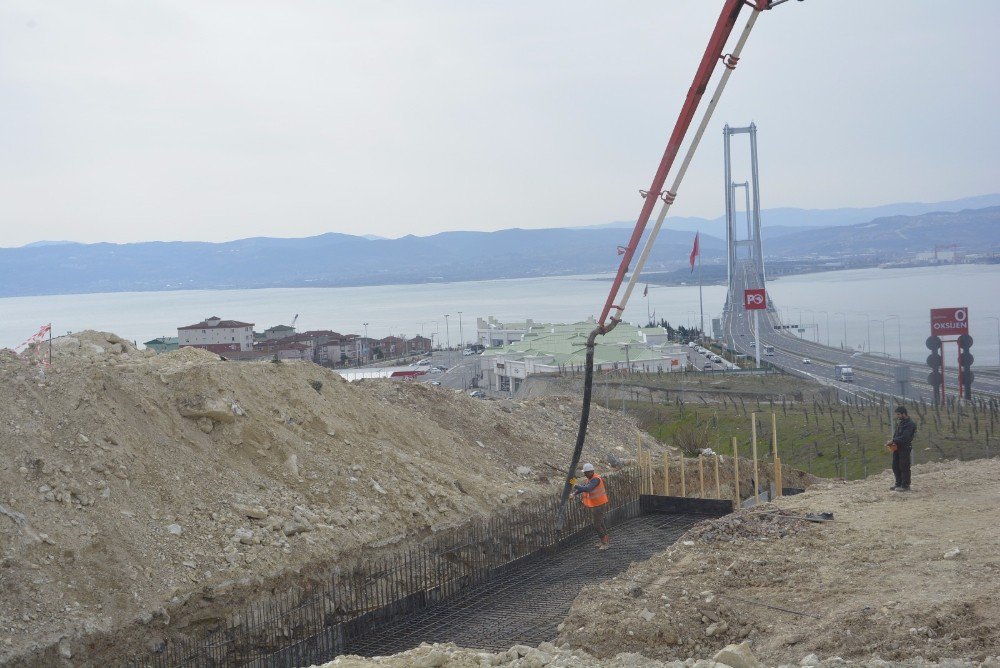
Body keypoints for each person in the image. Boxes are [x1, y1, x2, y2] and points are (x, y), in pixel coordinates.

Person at [573, 463, 610, 550]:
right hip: (596, 504)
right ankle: (605, 541)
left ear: (591, 471)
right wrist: (574, 493)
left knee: (597, 525)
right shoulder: (590, 479)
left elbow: (587, 489)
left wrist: (574, 484)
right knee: (600, 523)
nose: (584, 474)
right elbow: (584, 487)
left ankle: (605, 543)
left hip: (599, 504)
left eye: (586, 473)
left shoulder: (595, 480)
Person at [886, 406, 916, 491]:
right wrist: (892, 442)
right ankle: (898, 483)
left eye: (899, 414)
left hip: (905, 448)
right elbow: (897, 435)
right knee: (895, 466)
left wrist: (893, 440)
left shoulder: (910, 424)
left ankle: (905, 485)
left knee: (904, 466)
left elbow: (905, 438)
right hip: (897, 447)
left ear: (904, 414)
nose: (897, 416)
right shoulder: (901, 423)